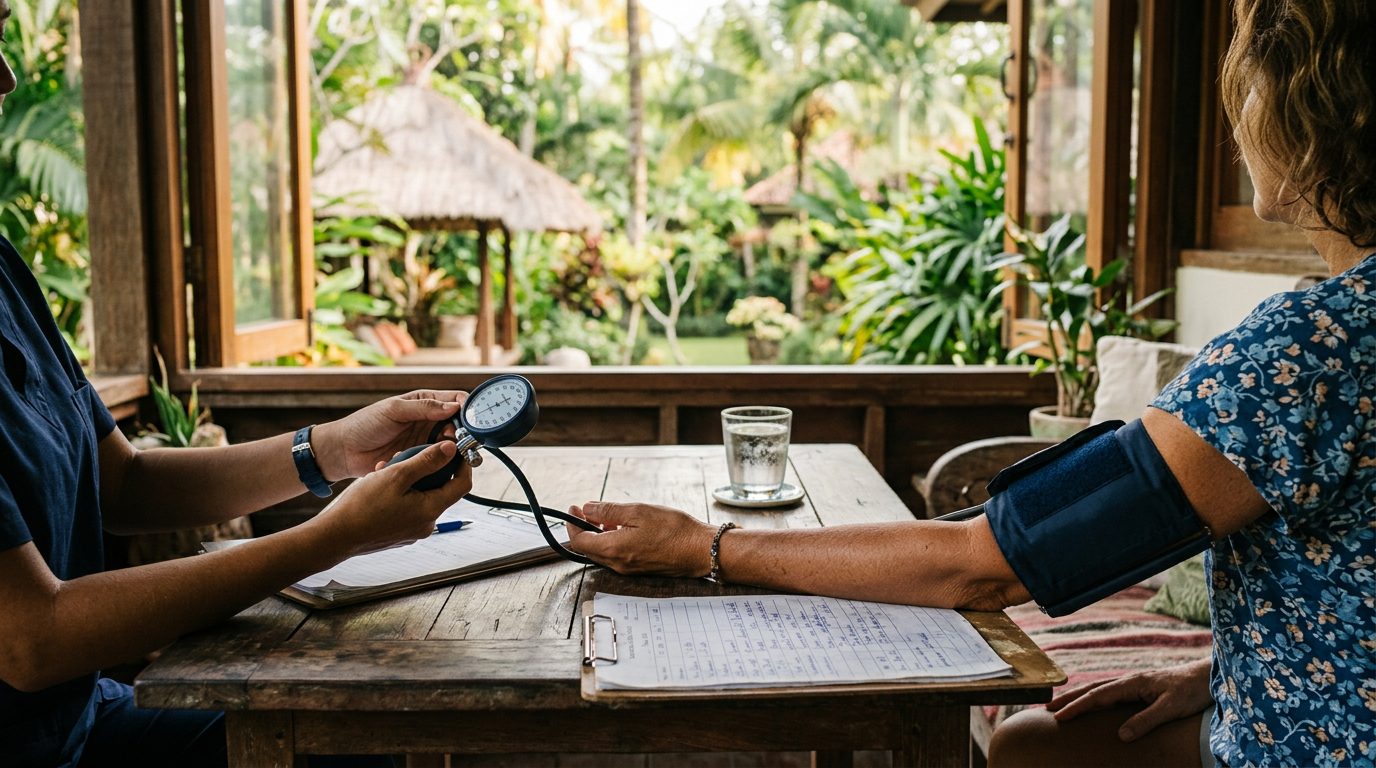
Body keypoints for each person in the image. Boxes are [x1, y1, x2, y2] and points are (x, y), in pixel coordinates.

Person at [562, 1, 1376, 766]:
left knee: (1028, 746)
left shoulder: (1306, 353)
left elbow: (985, 562)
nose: (1234, 120)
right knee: (1036, 743)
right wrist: (1219, 675)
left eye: (1246, 87)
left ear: (1312, 113)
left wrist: (702, 545)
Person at [0, 7, 473, 766]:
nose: (5, 75)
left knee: (376, 739)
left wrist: (329, 448)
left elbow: (123, 482)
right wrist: (333, 536)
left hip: (84, 719)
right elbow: (30, 637)